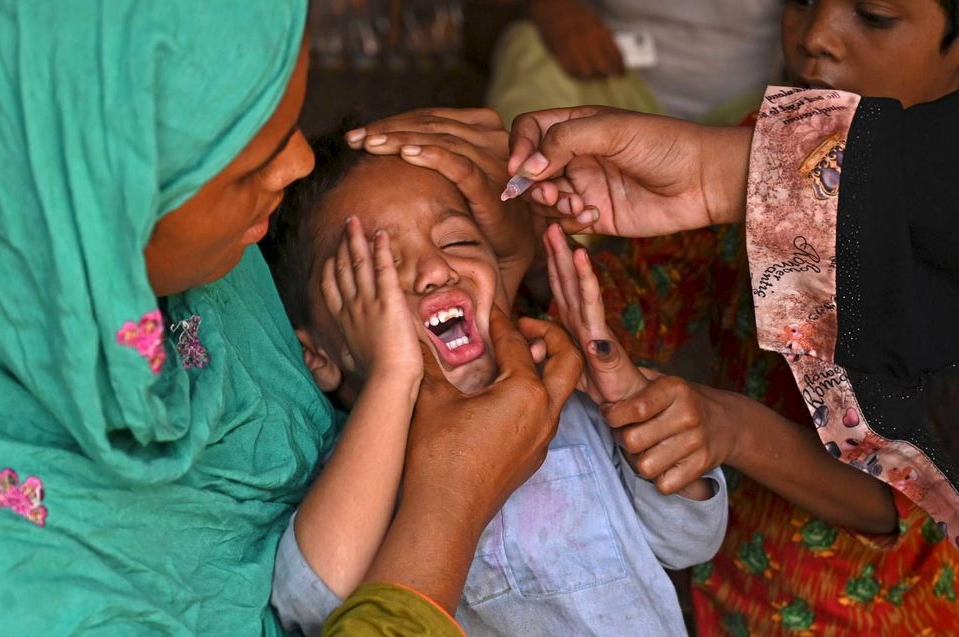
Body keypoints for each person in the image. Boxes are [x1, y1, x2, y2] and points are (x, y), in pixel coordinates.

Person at [0, 4, 581, 634]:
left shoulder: (216, 259)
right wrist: (452, 500)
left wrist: (495, 258)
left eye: (287, 124)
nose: (298, 165)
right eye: (246, 167)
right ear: (102, 210)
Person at [495, 39, 959, 637]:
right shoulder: (757, 148)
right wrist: (535, 251)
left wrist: (729, 427)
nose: (815, 32)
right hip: (728, 582)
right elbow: (645, 297)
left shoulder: (938, 240)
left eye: (875, 17)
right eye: (800, 0)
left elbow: (901, 491)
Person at [265, 131, 727, 635]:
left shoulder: (573, 412)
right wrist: (392, 380)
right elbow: (308, 604)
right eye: (379, 267)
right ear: (318, 356)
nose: (436, 270)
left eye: (458, 241)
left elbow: (691, 539)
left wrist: (632, 403)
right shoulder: (361, 469)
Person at [486, 0, 783, 128]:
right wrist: (551, 7)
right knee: (528, 44)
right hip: (612, 77)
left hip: (744, 106)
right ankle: (543, 236)